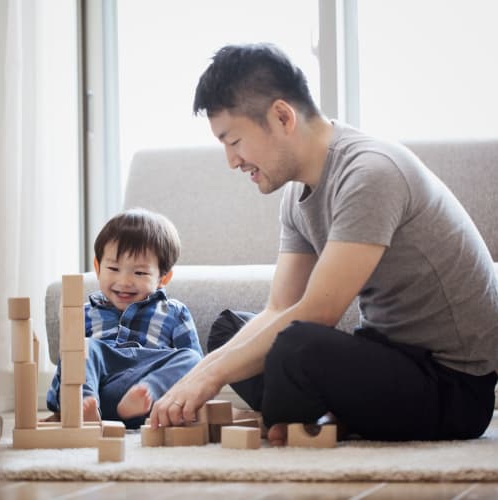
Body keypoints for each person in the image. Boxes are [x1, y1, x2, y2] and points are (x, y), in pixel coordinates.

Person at [150, 43, 498, 443]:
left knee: (296, 346)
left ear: (282, 116)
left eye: (234, 141)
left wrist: (212, 375)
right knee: (229, 332)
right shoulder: (296, 196)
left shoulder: (370, 172)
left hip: (451, 386)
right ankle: (320, 413)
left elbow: (319, 312)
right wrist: (200, 374)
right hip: (389, 358)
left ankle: (305, 414)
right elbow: (279, 306)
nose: (232, 161)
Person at [46, 208, 203, 428]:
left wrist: (153, 389)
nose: (125, 281)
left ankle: (147, 392)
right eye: (113, 268)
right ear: (98, 268)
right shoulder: (83, 312)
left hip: (145, 396)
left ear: (163, 277)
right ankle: (83, 404)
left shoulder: (174, 312)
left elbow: (195, 372)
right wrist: (62, 399)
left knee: (193, 359)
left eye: (139, 273)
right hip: (101, 391)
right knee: (82, 348)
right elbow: (69, 362)